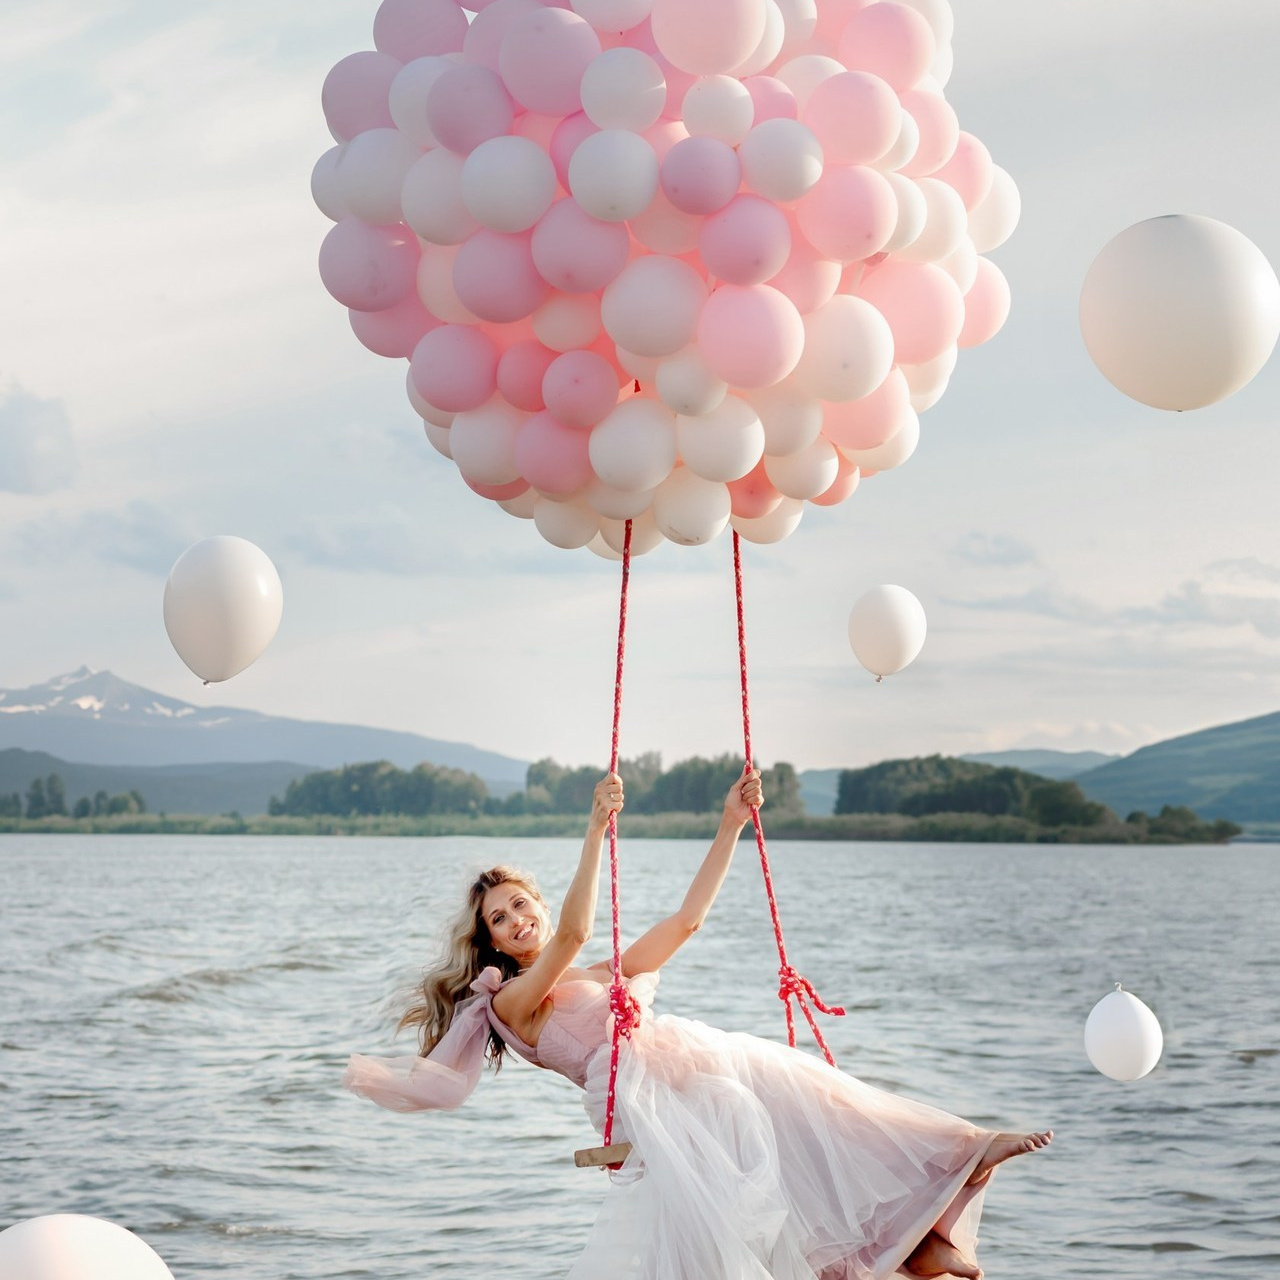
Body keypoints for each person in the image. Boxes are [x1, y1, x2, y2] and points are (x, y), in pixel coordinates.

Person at [344, 770, 1051, 1280]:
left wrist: (729, 824)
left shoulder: (595, 972)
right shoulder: (510, 1003)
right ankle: (913, 1232)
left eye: (520, 903)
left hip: (686, 1063)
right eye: (500, 919)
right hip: (650, 1101)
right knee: (749, 1200)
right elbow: (576, 929)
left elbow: (687, 922)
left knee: (819, 1104)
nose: (517, 920)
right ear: (493, 941)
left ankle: (938, 1208)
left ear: (537, 903)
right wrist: (594, 830)